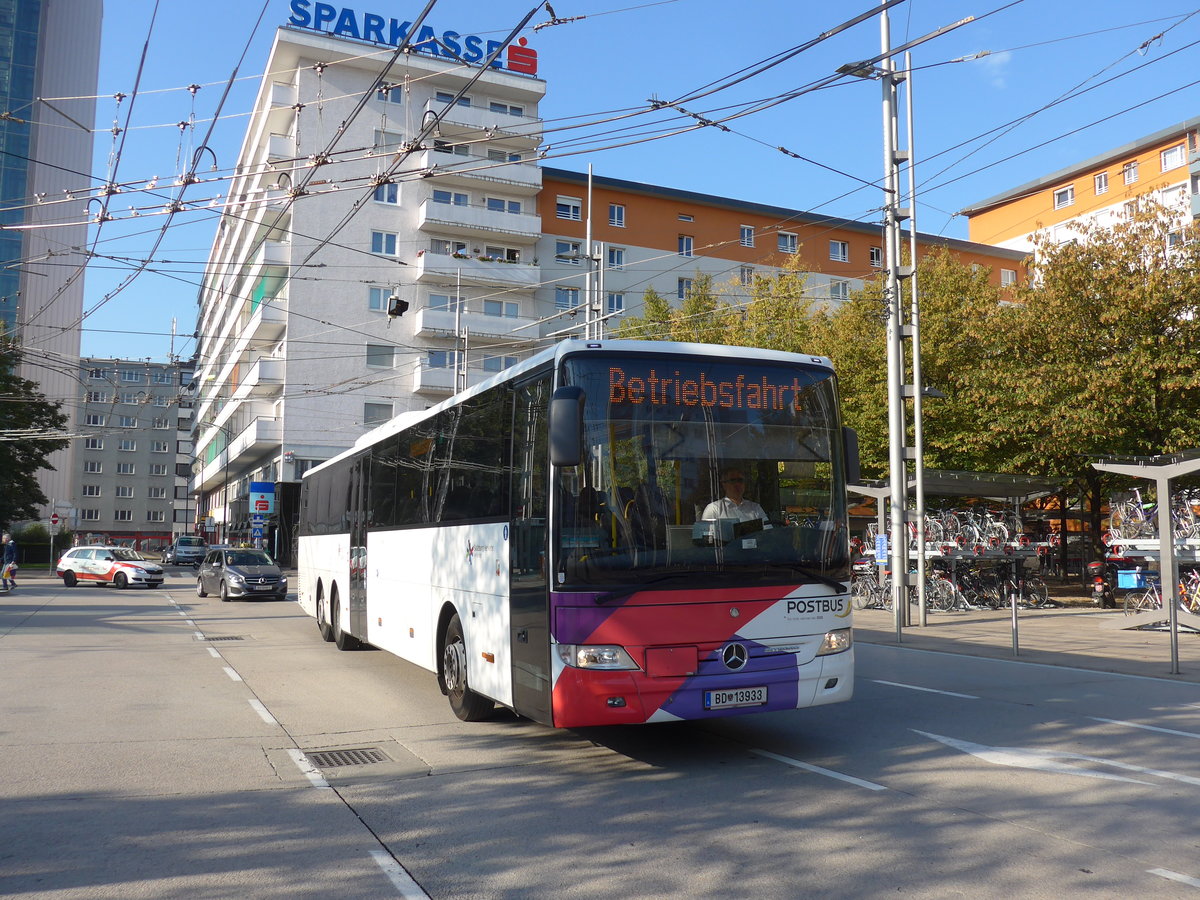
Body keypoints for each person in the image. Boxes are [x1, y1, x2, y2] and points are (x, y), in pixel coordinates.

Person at [701, 468, 770, 526]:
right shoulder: (714, 509)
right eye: (732, 481)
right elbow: (707, 537)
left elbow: (768, 533)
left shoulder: (755, 508)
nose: (737, 484)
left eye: (740, 480)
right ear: (724, 484)